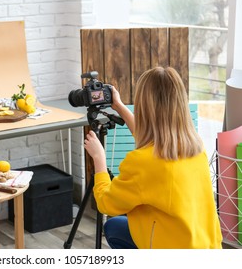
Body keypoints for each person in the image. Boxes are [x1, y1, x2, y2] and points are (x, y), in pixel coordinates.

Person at [84, 66, 222, 249]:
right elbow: (152, 139)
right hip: (208, 249)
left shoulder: (142, 162)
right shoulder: (195, 146)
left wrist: (98, 158)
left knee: (112, 226)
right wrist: (118, 106)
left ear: (144, 107)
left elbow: (105, 203)